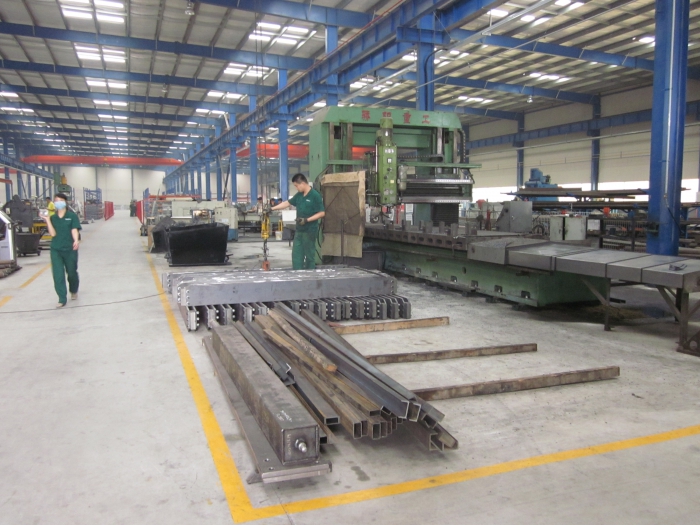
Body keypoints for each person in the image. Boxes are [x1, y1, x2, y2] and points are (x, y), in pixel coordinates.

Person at [271, 173, 325, 270]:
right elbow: (287, 203)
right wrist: (272, 209)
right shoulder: (299, 195)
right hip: (299, 231)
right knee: (297, 255)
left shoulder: (315, 195)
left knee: (309, 255)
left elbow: (321, 213)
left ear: (303, 183)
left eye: (296, 186)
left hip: (310, 231)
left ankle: (310, 275)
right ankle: (297, 274)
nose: (296, 188)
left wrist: (306, 220)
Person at [42, 193, 81, 308]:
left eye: (60, 200)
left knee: (72, 272)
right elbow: (53, 234)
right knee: (58, 274)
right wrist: (47, 220)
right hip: (56, 249)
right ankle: (62, 298)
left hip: (70, 249)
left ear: (65, 202)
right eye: (56, 200)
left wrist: (76, 240)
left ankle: (73, 290)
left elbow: (74, 229)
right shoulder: (53, 218)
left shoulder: (71, 216)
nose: (57, 202)